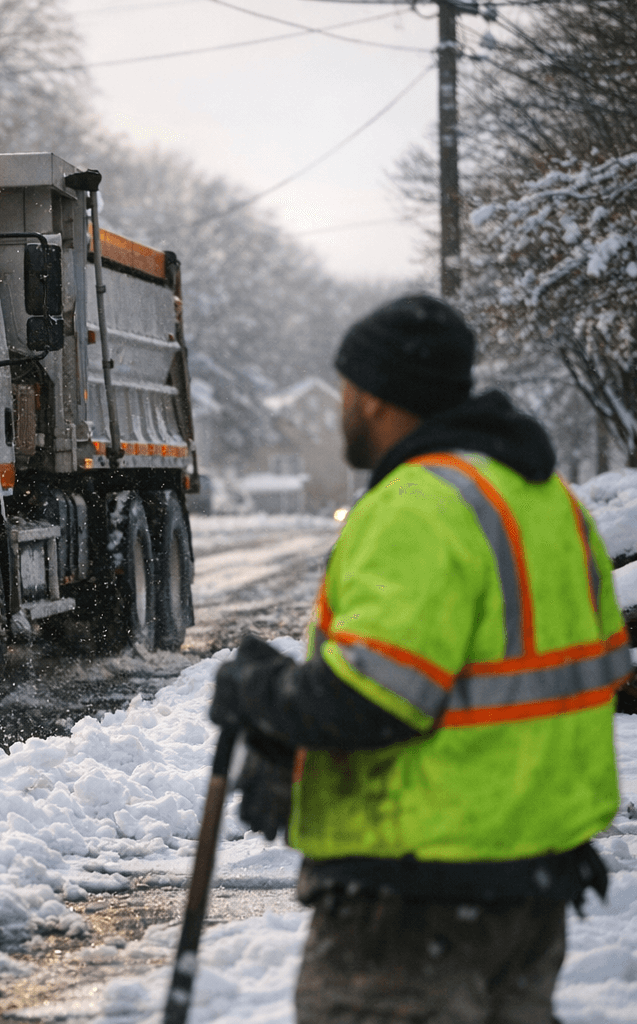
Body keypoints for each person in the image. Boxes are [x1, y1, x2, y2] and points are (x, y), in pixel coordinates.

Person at [209, 294, 629, 1023]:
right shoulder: (546, 501)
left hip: (415, 901)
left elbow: (374, 700)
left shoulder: (419, 506)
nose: (342, 406)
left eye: (345, 390)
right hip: (530, 885)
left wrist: (261, 692)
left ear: (371, 398)